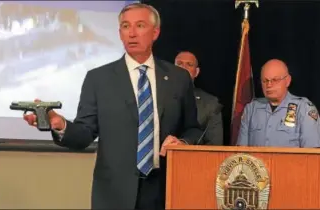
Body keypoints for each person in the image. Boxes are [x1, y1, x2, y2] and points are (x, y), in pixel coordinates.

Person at [23, 3, 202, 210]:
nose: (132, 33)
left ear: (155, 32)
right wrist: (60, 123)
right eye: (126, 27)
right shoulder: (99, 79)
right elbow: (84, 134)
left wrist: (182, 142)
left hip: (166, 189)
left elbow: (193, 128)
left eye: (140, 25)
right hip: (114, 194)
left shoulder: (178, 78)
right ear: (119, 33)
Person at [237, 59, 320, 148]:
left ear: (287, 81)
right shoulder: (251, 109)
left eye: (275, 80)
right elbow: (241, 154)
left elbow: (313, 155)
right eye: (265, 81)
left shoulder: (303, 108)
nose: (269, 85)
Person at [175, 51, 223, 145]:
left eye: (189, 64)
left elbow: (214, 144)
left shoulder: (210, 103)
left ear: (196, 72)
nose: (183, 67)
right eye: (179, 63)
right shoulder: (157, 94)